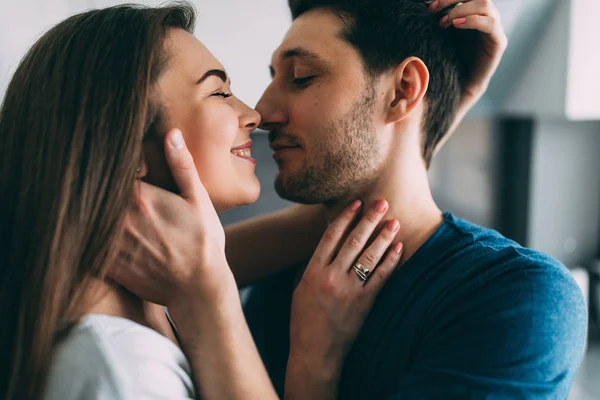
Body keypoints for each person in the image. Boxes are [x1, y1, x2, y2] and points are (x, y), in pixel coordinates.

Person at [116, 0, 588, 398]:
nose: (263, 111)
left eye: (301, 77)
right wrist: (432, 117)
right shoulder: (284, 281)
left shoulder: (515, 298)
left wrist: (312, 370)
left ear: (404, 90)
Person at [0, 3, 403, 400]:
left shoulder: (141, 303)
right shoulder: (124, 370)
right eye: (219, 92)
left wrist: (423, 101)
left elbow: (326, 217)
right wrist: (313, 366)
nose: (254, 114)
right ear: (126, 144)